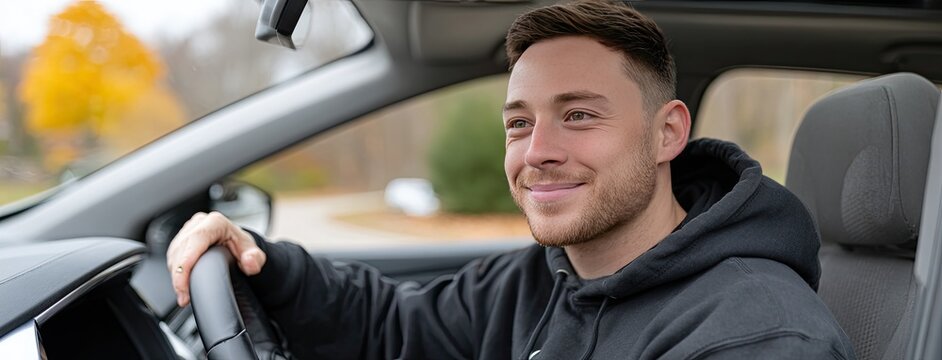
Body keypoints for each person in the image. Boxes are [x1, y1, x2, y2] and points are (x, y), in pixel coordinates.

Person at [167, 1, 855, 359]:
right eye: (519, 124)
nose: (539, 153)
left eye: (579, 115)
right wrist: (261, 266)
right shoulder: (545, 277)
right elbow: (394, 329)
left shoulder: (757, 335)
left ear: (667, 134)